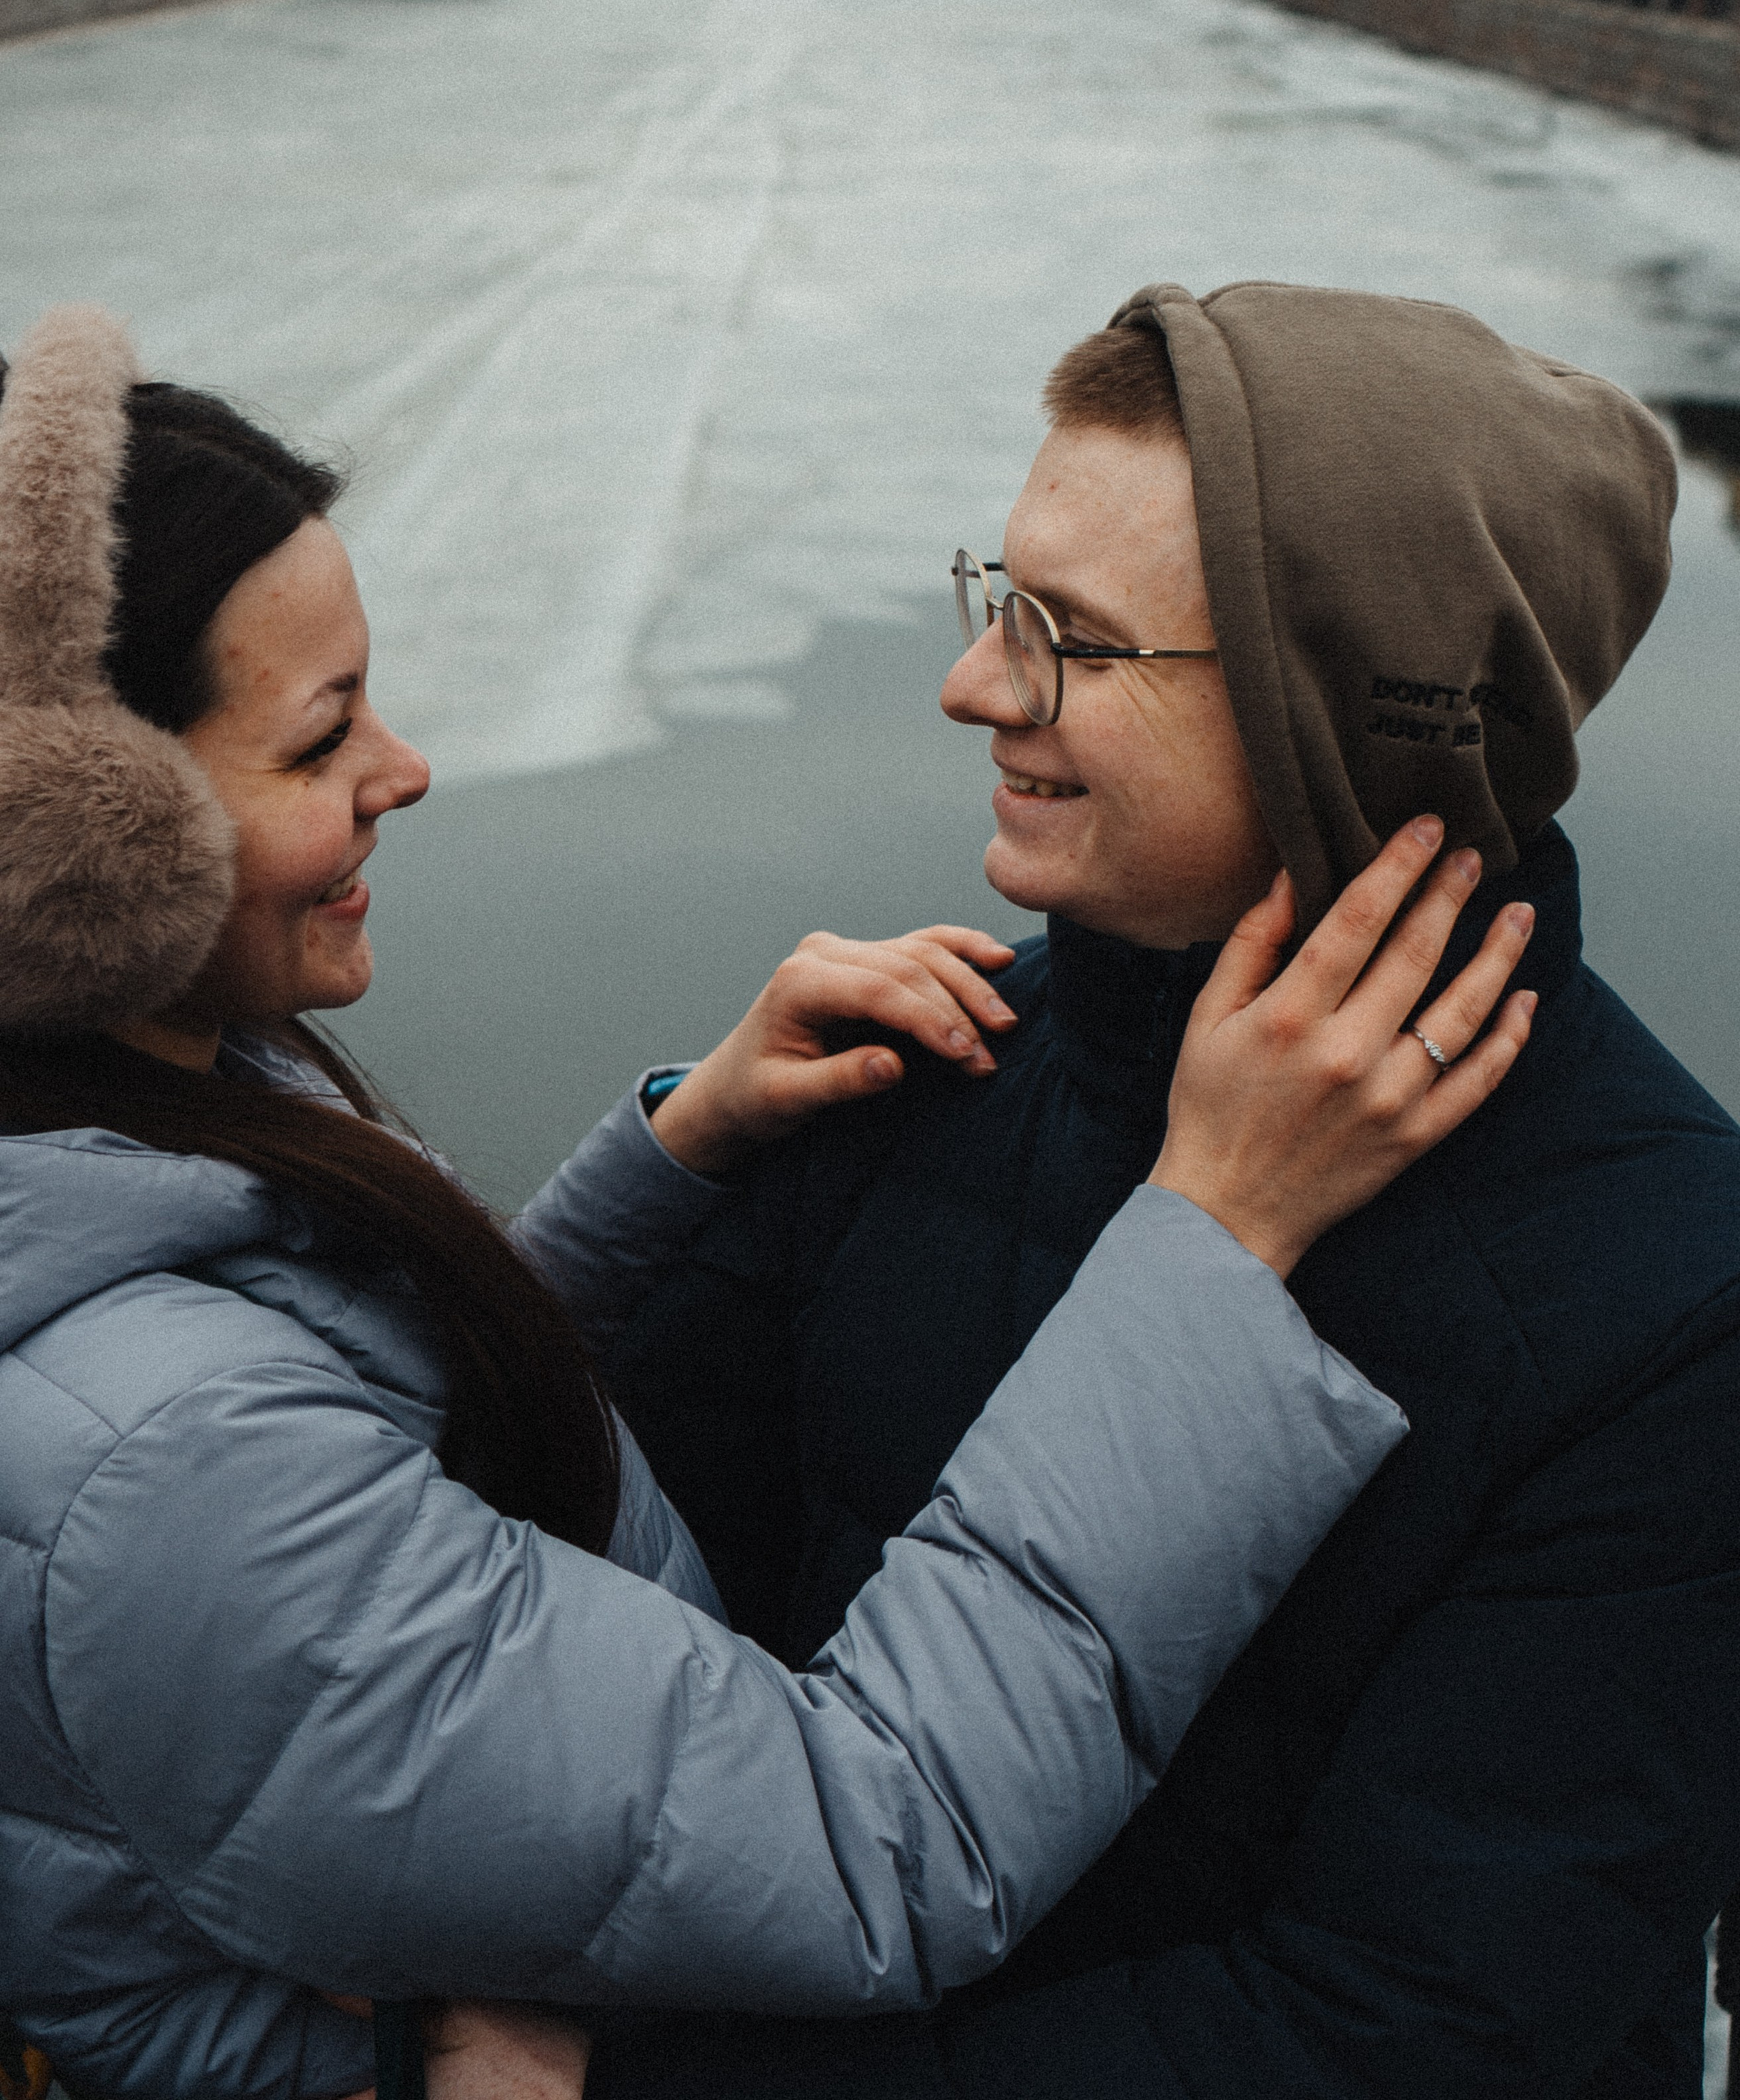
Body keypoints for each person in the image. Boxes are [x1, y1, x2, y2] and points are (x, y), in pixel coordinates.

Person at [0, 304, 1534, 2100]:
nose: (401, 769)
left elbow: (363, 1428)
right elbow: (877, 1842)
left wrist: (674, 1159)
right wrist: (1216, 1235)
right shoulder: (172, 1472)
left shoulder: (131, 1109)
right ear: (92, 845)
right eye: (322, 737)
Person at [602, 281, 1740, 2100]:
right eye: (1001, 599)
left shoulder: (1673, 1301)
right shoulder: (909, 1068)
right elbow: (596, 1619)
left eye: (1073, 640)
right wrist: (676, 1160)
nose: (977, 686)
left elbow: (1405, 2028)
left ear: (1349, 724)